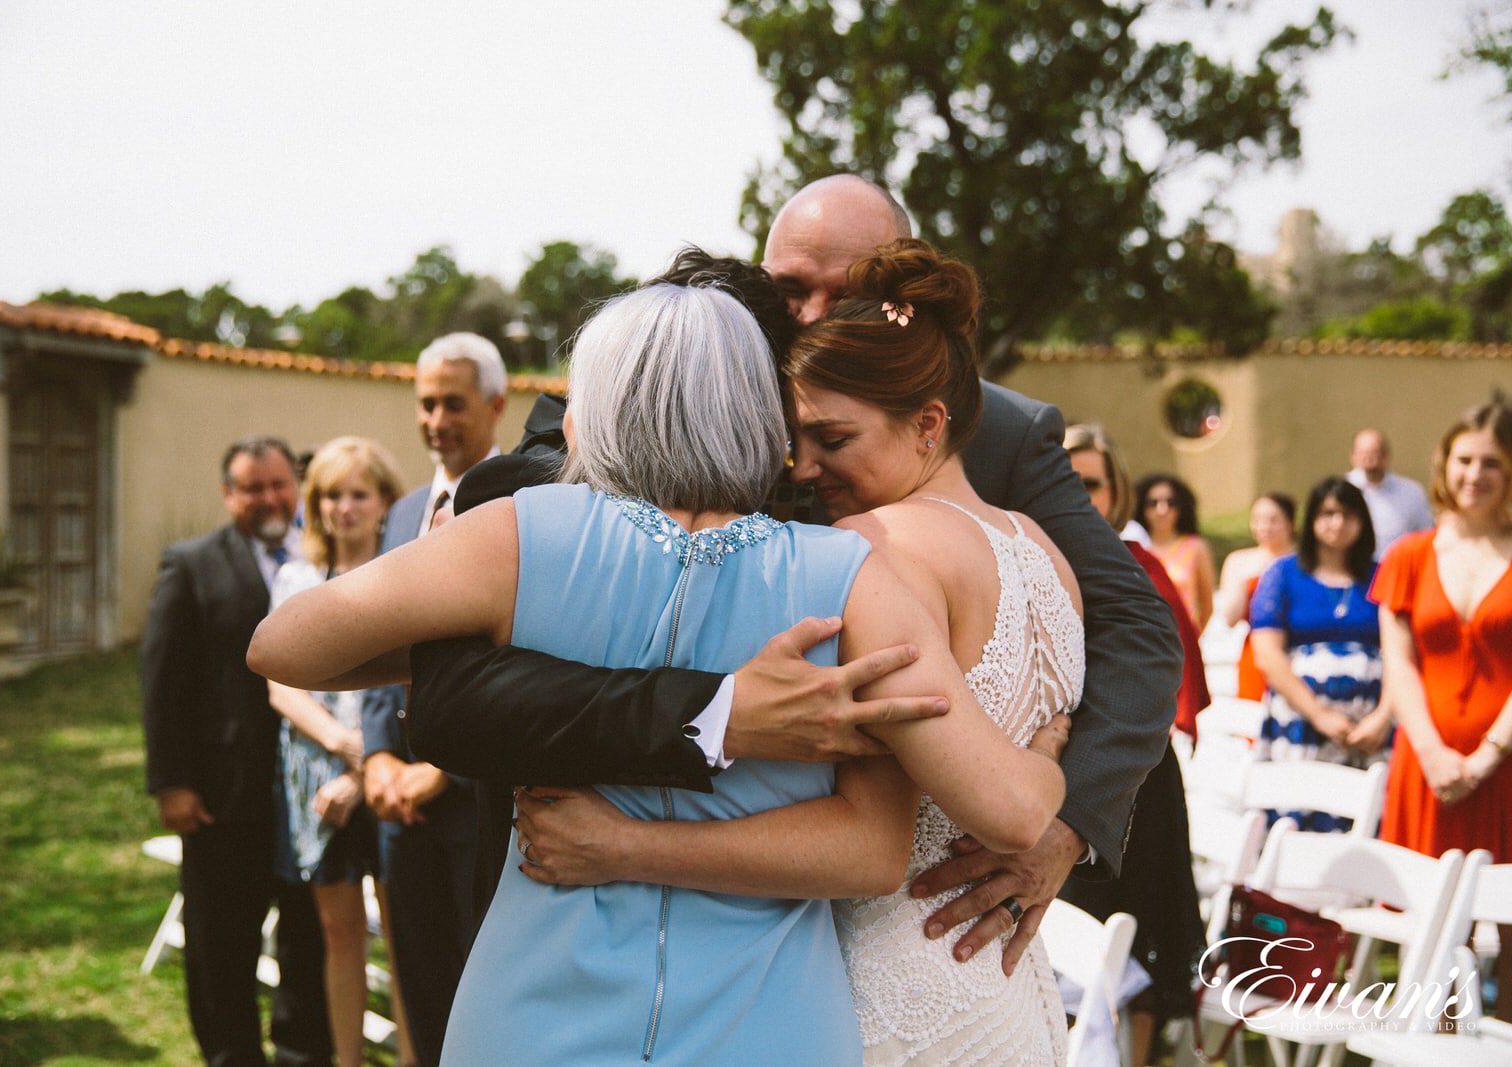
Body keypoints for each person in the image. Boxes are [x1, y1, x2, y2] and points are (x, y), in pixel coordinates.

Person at [248, 279, 1068, 1064]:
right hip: (768, 1023)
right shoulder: (850, 575)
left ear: (597, 408)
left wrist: (487, 627)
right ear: (762, 415)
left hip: (535, 1013)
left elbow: (284, 645)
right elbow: (1004, 813)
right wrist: (1052, 744)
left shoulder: (521, 537)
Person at [401, 175, 1182, 972]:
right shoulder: (642, 397)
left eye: (846, 292)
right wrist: (713, 714)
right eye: (791, 289)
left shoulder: (1000, 431)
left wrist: (1066, 819)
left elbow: (1137, 625)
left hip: (864, 913)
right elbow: (457, 694)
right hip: (583, 904)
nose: (811, 316)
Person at [511, 240, 1082, 1063]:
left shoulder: (871, 550)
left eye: (833, 438)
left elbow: (983, 816)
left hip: (897, 994)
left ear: (928, 424)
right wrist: (1053, 751)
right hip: (1009, 988)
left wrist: (624, 845)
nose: (806, 469)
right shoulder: (1040, 546)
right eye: (795, 441)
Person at [140, 435, 331, 1067]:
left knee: (309, 937)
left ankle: (301, 1052)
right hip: (223, 794)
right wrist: (172, 782)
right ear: (229, 496)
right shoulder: (190, 564)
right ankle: (230, 1055)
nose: (269, 498)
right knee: (221, 946)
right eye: (252, 487)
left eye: (279, 484)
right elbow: (162, 680)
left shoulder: (323, 555)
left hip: (308, 793)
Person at [358, 332, 506, 1065]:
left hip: (478, 796)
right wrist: (378, 754)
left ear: (496, 404)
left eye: (453, 402)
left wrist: (442, 769)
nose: (436, 418)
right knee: (415, 980)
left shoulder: (524, 501)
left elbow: (520, 653)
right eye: (425, 403)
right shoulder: (404, 510)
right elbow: (382, 643)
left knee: (480, 988)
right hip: (397, 806)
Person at [1060, 423, 1206, 1065]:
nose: (1078, 494)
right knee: (1065, 944)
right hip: (1049, 781)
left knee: (1142, 935)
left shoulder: (1140, 568)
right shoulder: (1017, 560)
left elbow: (1171, 674)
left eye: (1091, 483)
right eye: (1065, 479)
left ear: (1115, 493)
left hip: (1139, 783)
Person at [266, 437, 412, 1067]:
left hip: (389, 775)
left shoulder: (407, 572)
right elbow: (280, 685)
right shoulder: (298, 577)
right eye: (330, 495)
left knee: (403, 934)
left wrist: (366, 767)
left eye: (358, 493)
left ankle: (414, 1056)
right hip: (319, 777)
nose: (344, 508)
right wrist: (346, 749)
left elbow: (410, 680)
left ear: (385, 501)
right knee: (338, 931)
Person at [1372, 400, 1512, 1021]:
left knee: (1508, 932)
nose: (1474, 473)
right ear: (1444, 464)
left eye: (1492, 462)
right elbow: (1398, 663)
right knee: (1426, 929)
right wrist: (1432, 753)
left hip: (1504, 769)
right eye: (1464, 459)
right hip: (1425, 771)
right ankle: (1429, 1046)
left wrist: (1486, 757)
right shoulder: (1408, 554)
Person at [1250, 478, 1390, 829]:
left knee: (1363, 821)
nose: (1337, 523)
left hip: (1368, 732)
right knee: (1297, 819)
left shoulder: (1382, 576)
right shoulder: (1284, 573)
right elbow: (1267, 653)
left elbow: (1404, 656)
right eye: (1327, 513)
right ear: (1311, 520)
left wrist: (1382, 718)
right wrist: (1319, 714)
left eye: (1347, 514)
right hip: (1300, 722)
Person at [1216, 492, 1297, 700]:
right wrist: (1249, 575)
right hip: (1255, 651)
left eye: (1273, 520)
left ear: (1290, 522)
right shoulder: (1239, 560)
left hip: (1298, 648)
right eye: (1258, 520)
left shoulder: (1303, 561)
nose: (1264, 526)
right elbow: (1230, 618)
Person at [1135, 471, 1215, 631]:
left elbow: (1207, 604)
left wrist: (1193, 639)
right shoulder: (1135, 546)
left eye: (1171, 502)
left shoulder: (1196, 547)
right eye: (1153, 503)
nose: (1162, 510)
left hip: (1182, 639)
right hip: (1142, 636)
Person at [1349, 427, 1435, 557]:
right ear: (1353, 456)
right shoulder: (1343, 490)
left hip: (1397, 568)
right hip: (1354, 570)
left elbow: (1426, 535)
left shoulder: (1411, 492)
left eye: (1375, 453)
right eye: (1363, 453)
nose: (1369, 459)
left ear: (1386, 455)